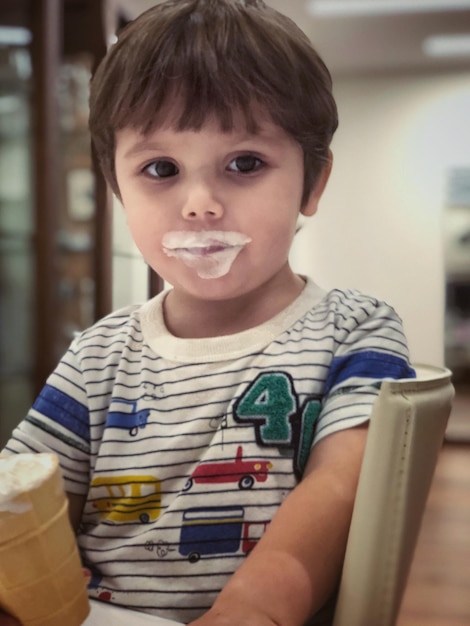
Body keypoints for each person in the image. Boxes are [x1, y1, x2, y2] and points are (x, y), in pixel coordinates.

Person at [0, 1, 415, 625]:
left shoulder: (354, 331)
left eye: (244, 163)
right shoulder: (96, 355)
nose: (200, 205)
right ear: (117, 190)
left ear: (313, 181)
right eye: (160, 169)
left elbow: (345, 486)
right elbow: (21, 496)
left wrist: (257, 607)